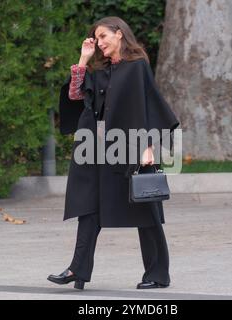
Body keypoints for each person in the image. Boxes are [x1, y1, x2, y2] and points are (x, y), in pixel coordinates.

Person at [47, 16, 179, 290]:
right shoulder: (101, 71)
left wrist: (148, 147)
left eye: (104, 36)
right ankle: (77, 269)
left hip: (129, 148)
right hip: (98, 152)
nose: (100, 43)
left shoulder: (137, 67)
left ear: (119, 34)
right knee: (89, 207)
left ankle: (157, 274)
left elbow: (149, 105)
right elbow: (75, 96)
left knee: (146, 210)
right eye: (96, 39)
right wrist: (83, 59)